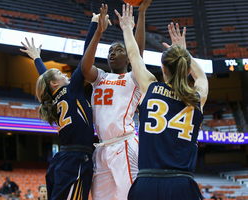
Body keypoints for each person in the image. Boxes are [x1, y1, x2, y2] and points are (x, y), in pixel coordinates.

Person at [115, 4, 208, 200]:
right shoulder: (196, 98)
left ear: (163, 68)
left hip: (147, 183)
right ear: (186, 68)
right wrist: (185, 53)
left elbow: (133, 56)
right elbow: (202, 79)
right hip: (181, 184)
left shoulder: (150, 87)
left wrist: (126, 28)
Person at [19, 12, 99, 200]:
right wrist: (94, 24)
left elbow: (46, 78)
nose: (65, 75)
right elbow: (86, 57)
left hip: (63, 160)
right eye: (59, 73)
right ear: (55, 83)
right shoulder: (72, 90)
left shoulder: (54, 98)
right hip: (76, 160)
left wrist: (37, 58)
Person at [81, 1, 152, 199]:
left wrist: (142, 14)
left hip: (124, 144)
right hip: (102, 147)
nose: (112, 53)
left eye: (118, 50)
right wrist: (98, 33)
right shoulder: (101, 77)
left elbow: (137, 52)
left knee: (130, 196)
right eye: (110, 51)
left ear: (128, 58)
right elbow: (85, 68)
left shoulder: (133, 78)